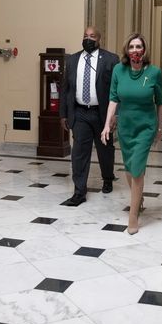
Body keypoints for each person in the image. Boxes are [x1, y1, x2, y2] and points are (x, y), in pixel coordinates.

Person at [101, 33, 162, 234]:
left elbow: (160, 102)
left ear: (144, 50)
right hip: (126, 126)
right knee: (129, 168)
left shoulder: (154, 72)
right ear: (126, 50)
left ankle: (133, 215)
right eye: (132, 46)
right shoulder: (119, 70)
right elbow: (113, 99)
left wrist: (160, 127)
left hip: (146, 126)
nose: (135, 50)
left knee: (137, 168)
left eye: (138, 46)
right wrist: (107, 124)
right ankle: (139, 197)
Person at [60, 27, 119, 206]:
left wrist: (115, 114)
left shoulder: (111, 59)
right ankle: (79, 192)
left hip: (102, 113)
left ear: (99, 39)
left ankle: (107, 178)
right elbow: (65, 89)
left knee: (105, 149)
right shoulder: (72, 60)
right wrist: (63, 114)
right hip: (80, 113)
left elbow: (117, 89)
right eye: (85, 36)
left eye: (92, 36)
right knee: (79, 153)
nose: (88, 39)